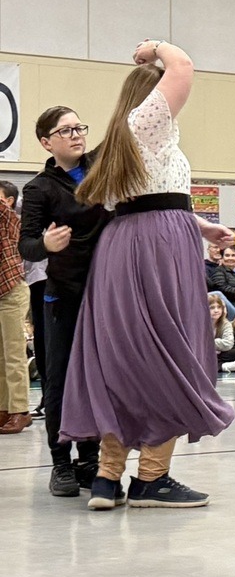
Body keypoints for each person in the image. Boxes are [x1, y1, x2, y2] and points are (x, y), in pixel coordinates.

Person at [61, 39, 235, 511]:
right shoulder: (148, 122)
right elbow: (184, 65)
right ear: (154, 95)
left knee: (127, 358)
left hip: (129, 245)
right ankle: (151, 478)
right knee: (172, 354)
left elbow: (152, 198)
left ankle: (106, 477)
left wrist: (203, 226)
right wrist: (153, 49)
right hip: (157, 251)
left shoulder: (125, 137)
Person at [18, 107, 111, 493]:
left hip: (104, 290)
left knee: (95, 378)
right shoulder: (39, 188)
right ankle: (61, 463)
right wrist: (46, 244)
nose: (76, 135)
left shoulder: (102, 170)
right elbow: (27, 243)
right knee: (59, 378)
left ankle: (90, 458)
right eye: (65, 130)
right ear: (46, 142)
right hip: (63, 295)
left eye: (79, 127)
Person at [0, 183, 31, 436]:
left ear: (9, 201)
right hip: (1, 293)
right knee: (1, 357)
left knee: (14, 353)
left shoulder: (9, 218)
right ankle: (4, 408)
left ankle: (20, 410)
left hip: (12, 292)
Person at [210, 293, 235, 373]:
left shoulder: (225, 323)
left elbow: (228, 343)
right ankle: (224, 366)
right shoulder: (199, 323)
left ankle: (219, 365)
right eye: (212, 308)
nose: (216, 310)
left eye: (219, 307)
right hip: (205, 353)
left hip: (219, 353)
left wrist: (210, 343)